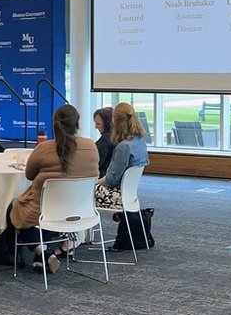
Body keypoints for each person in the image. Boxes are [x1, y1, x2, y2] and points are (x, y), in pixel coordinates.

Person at [10, 104, 99, 272]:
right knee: (37, 208)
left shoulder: (44, 148)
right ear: (78, 124)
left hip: (44, 211)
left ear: (54, 123)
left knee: (14, 209)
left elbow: (29, 175)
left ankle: (42, 252)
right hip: (82, 210)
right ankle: (41, 256)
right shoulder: (91, 147)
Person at [95, 103, 151, 251]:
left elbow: (111, 179)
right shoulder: (140, 143)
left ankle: (70, 241)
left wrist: (95, 182)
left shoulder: (124, 146)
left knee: (78, 192)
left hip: (116, 194)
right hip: (129, 193)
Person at [92, 106, 116, 175]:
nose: (96, 127)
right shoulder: (118, 137)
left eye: (98, 124)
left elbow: (98, 163)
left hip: (102, 177)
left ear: (107, 123)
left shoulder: (105, 139)